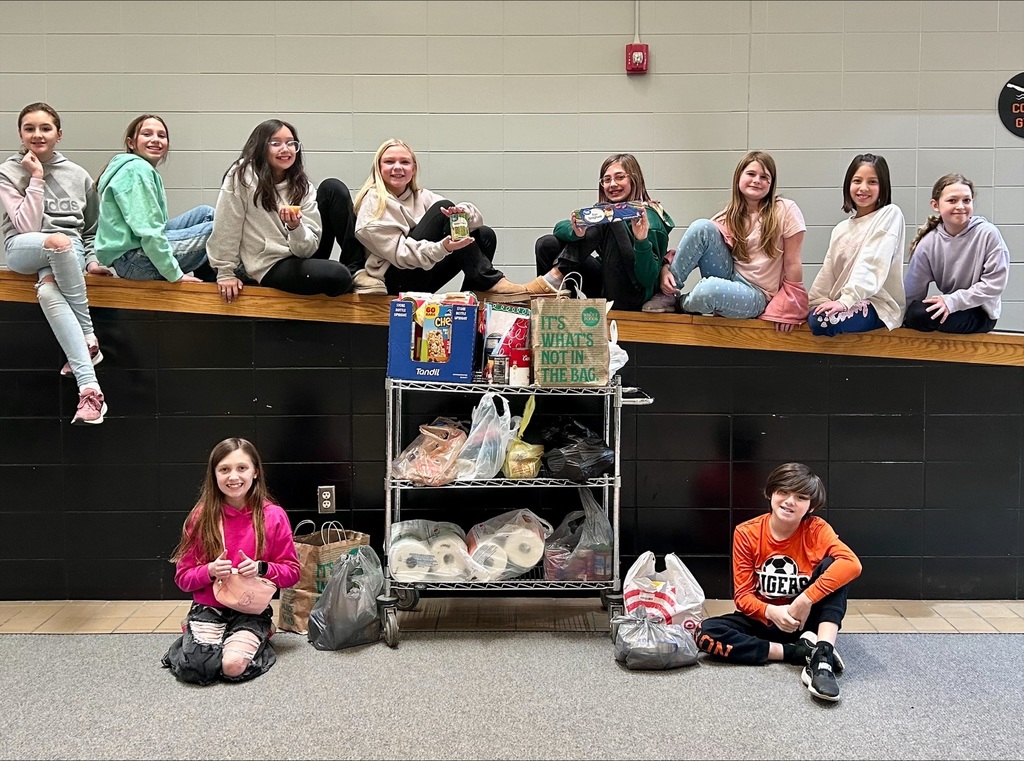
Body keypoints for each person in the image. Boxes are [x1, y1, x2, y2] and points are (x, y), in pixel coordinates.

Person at [694, 462, 862, 703]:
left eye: (800, 496)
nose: (789, 501)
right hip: (766, 621)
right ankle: (799, 653)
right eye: (783, 492)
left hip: (805, 621)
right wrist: (772, 612)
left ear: (811, 506)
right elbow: (742, 598)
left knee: (835, 567)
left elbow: (852, 564)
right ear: (771, 493)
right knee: (705, 633)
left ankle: (822, 657)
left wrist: (805, 599)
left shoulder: (816, 529)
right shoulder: (746, 533)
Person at [0, 102, 109, 425]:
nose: (37, 134)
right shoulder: (8, 171)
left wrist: (91, 262)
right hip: (23, 247)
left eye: (45, 128)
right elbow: (27, 227)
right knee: (56, 240)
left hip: (66, 253)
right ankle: (90, 337)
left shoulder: (78, 175)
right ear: (20, 134)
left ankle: (90, 391)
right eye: (29, 128)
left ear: (58, 134)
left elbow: (90, 230)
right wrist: (35, 177)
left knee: (48, 293)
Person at [162, 437, 300, 686]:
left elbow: (292, 573)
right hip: (209, 607)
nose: (233, 476)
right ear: (214, 474)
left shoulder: (273, 516)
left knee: (232, 667)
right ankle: (193, 635)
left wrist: (262, 568)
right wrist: (210, 570)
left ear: (255, 472)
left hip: (250, 608)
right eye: (224, 469)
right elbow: (183, 579)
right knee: (199, 670)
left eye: (242, 468)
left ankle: (260, 633)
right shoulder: (201, 516)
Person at [640, 151, 806, 331]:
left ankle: (681, 302)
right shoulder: (730, 215)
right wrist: (666, 267)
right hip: (730, 277)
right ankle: (667, 294)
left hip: (758, 295)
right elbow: (694, 244)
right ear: (738, 178)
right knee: (701, 226)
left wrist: (789, 309)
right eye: (751, 174)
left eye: (764, 177)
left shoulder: (786, 209)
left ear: (771, 183)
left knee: (709, 289)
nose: (757, 180)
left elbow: (793, 263)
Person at [353, 138, 529, 298]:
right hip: (395, 279)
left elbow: (474, 222)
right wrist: (442, 247)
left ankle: (472, 295)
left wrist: (463, 213)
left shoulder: (421, 196)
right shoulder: (373, 204)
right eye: (389, 162)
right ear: (379, 168)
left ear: (413, 169)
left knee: (484, 235)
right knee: (442, 210)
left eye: (405, 162)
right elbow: (402, 256)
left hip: (424, 270)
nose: (398, 167)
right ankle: (489, 280)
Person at [207, 119, 359, 302]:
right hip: (270, 263)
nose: (285, 149)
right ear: (261, 147)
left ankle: (358, 270)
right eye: (276, 143)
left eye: (290, 143)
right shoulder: (242, 175)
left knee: (333, 188)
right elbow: (227, 224)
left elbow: (307, 249)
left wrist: (295, 227)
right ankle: (345, 276)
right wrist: (225, 272)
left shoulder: (303, 186)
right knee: (338, 277)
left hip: (301, 251)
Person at [531, 153, 675, 311]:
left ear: (634, 179)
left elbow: (647, 279)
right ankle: (556, 303)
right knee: (547, 244)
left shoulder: (651, 219)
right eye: (607, 180)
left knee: (606, 215)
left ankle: (556, 276)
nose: (612, 184)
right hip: (605, 284)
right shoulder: (604, 211)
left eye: (620, 177)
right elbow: (558, 228)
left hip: (633, 295)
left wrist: (641, 241)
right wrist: (577, 232)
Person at [93, 114, 214, 283]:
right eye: (147, 134)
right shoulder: (137, 170)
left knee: (206, 213)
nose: (155, 140)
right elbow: (149, 232)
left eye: (161, 135)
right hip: (137, 262)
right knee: (217, 230)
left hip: (129, 256)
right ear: (131, 143)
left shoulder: (135, 167)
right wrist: (175, 274)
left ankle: (210, 273)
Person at [807, 153, 906, 336]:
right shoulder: (841, 228)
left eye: (872, 182)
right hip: (843, 301)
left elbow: (871, 262)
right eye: (857, 181)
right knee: (813, 315)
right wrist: (814, 302)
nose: (863, 188)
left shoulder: (890, 214)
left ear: (883, 186)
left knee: (822, 321)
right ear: (848, 185)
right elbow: (829, 271)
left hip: (878, 304)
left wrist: (847, 300)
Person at [903, 173, 1009, 334]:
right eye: (952, 200)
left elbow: (994, 285)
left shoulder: (988, 234)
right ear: (935, 205)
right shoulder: (928, 243)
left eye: (966, 200)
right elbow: (913, 290)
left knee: (945, 319)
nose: (960, 206)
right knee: (917, 314)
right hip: (949, 306)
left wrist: (952, 301)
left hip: (980, 311)